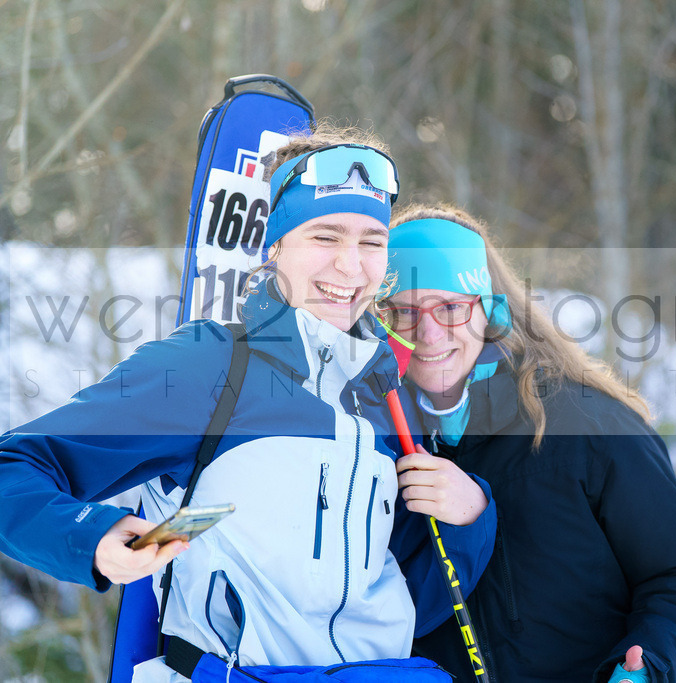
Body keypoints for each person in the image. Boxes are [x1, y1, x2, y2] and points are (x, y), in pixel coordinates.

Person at [0, 130, 495, 681]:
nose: (351, 267)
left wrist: (469, 519)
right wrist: (90, 538)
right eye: (325, 236)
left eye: (371, 241)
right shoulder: (207, 367)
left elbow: (409, 603)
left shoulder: (385, 397)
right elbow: (12, 470)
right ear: (275, 245)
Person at [381, 204, 676, 683]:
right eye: (403, 311)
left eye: (450, 308)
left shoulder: (586, 421)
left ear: (492, 311)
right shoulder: (374, 442)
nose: (427, 333)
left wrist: (648, 669)